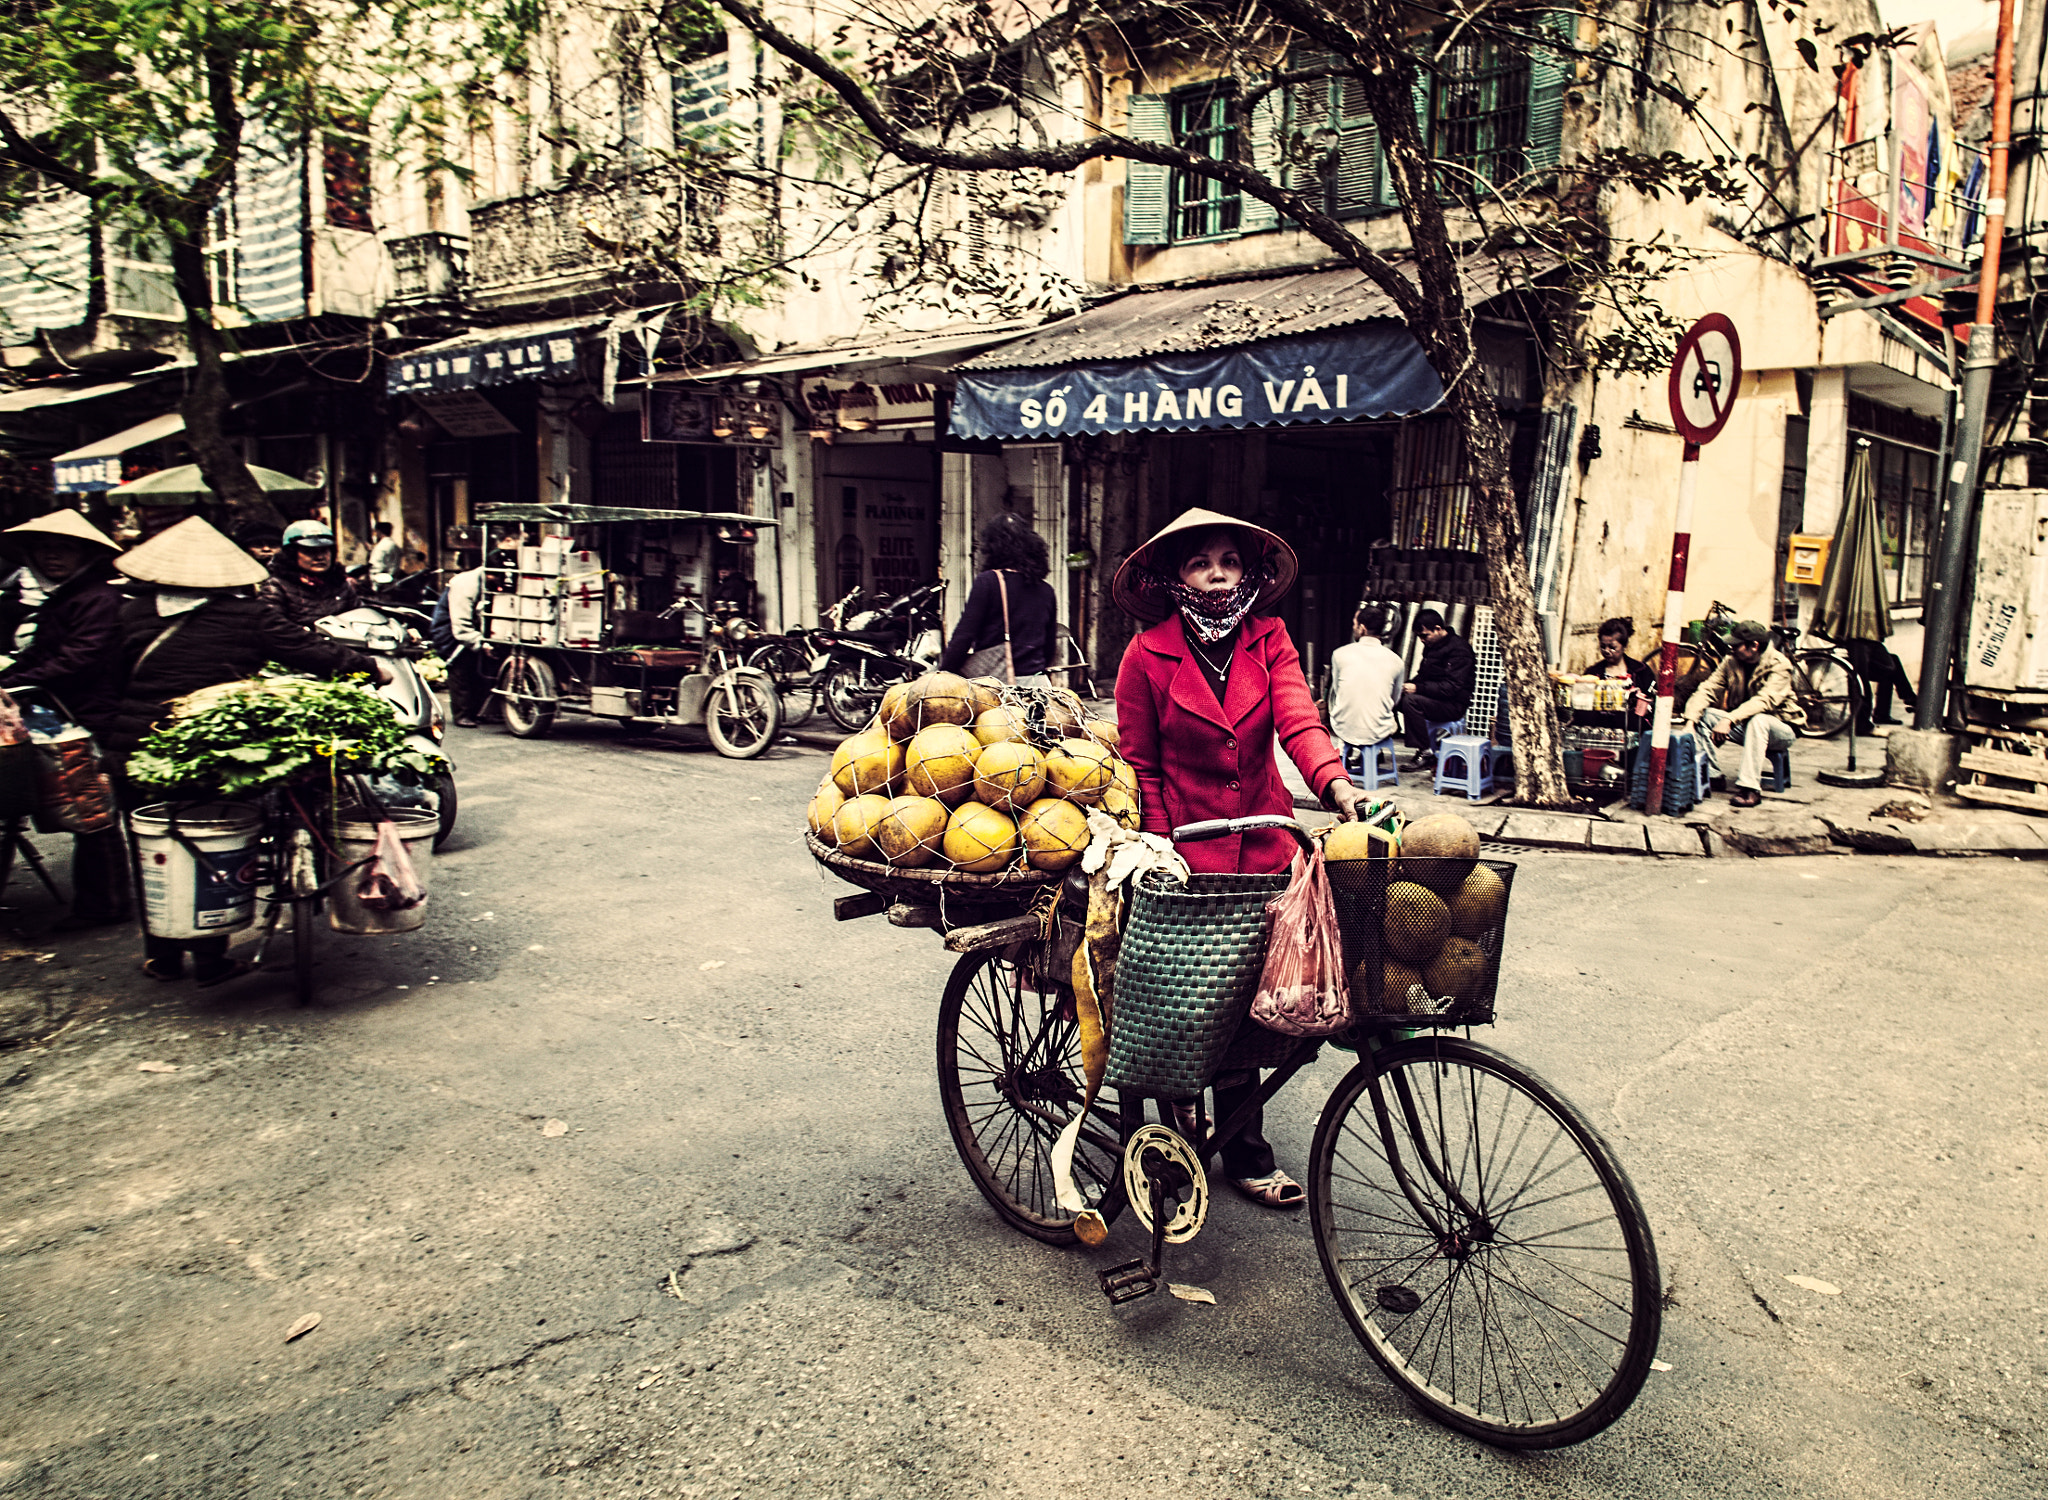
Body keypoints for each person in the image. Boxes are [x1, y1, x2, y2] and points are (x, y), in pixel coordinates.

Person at [1114, 507, 1365, 1211]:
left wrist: (1336, 787)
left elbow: (1298, 720)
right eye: (1199, 563)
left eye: (1227, 559)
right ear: (1174, 578)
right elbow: (1142, 765)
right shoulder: (1147, 655)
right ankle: (1188, 1114)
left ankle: (1243, 1149)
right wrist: (1163, 850)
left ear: (1247, 569)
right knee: (1196, 1002)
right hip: (1187, 852)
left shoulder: (1269, 637)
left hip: (1263, 842)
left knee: (1253, 1005)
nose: (1217, 573)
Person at [102, 517, 382, 985]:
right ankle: (210, 957)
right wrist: (368, 666)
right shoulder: (246, 614)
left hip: (136, 750)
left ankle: (163, 956)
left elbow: (103, 683)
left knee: (156, 849)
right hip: (215, 749)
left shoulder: (130, 613)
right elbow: (307, 649)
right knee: (214, 842)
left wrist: (112, 735)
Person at [0, 510, 130, 929]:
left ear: (84, 555)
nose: (53, 557)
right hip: (55, 714)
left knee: (93, 813)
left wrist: (18, 679)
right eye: (45, 549)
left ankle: (105, 904)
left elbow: (79, 656)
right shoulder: (55, 597)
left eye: (64, 549)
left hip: (88, 715)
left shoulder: (96, 598)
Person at [1683, 619, 1805, 807]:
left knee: (1759, 720)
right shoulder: (1731, 661)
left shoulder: (1780, 665)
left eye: (1736, 645)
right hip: (1744, 724)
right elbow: (1707, 689)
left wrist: (1730, 719)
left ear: (1754, 646)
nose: (1731, 648)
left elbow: (1764, 700)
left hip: (1781, 729)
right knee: (1702, 715)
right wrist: (1690, 722)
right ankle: (1713, 775)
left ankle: (1750, 789)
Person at [940, 514, 1059, 685]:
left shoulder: (988, 581)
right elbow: (1049, 647)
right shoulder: (1046, 590)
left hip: (997, 685)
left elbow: (964, 636)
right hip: (1038, 684)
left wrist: (943, 674)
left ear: (992, 547)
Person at [1327, 603, 1404, 783]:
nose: (1354, 628)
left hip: (1344, 727)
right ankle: (1373, 755)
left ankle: (1347, 756)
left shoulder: (1339, 654)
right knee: (1386, 715)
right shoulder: (1396, 661)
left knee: (1342, 705)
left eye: (1354, 624)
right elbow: (1395, 699)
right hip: (1378, 728)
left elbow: (1338, 692)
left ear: (1362, 628)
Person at [1399, 608, 1476, 763]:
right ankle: (1376, 744)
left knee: (1411, 701)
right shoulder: (1432, 646)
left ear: (1438, 629)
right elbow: (1424, 675)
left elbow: (1451, 687)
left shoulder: (1460, 650)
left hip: (1454, 705)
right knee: (1393, 696)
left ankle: (1425, 752)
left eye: (1424, 635)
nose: (1421, 640)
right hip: (1436, 699)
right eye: (1419, 636)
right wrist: (1408, 685)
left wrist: (1418, 688)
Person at [259, 520, 360, 626]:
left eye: (324, 550)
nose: (319, 557)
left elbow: (359, 616)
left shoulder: (339, 583)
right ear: (292, 554)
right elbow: (274, 626)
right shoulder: (276, 587)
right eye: (310, 551)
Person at [433, 558, 491, 727]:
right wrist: (480, 642)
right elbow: (461, 625)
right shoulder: (466, 584)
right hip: (450, 629)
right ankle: (462, 714)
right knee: (461, 669)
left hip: (473, 628)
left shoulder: (489, 583)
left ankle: (477, 711)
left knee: (479, 672)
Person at [1588, 615, 1656, 745]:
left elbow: (1654, 703)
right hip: (1602, 739)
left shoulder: (1641, 671)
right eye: (1603, 647)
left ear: (1624, 646)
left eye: (1612, 647)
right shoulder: (1593, 673)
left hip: (1635, 740)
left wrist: (1642, 704)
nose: (1607, 651)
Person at [367, 521, 401, 591]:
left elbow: (376, 567)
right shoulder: (394, 546)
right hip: (393, 579)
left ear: (378, 532)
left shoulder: (380, 547)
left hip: (381, 583)